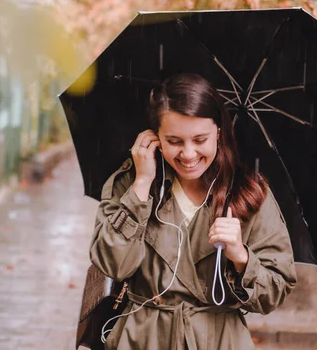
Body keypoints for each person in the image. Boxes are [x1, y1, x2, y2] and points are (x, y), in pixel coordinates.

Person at [89, 73, 297, 349]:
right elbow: (112, 265)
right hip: (142, 338)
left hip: (219, 340)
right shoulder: (130, 184)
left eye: (200, 140)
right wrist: (141, 185)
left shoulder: (248, 192)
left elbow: (274, 291)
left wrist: (241, 256)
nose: (188, 154)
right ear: (154, 138)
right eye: (174, 141)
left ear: (219, 134)